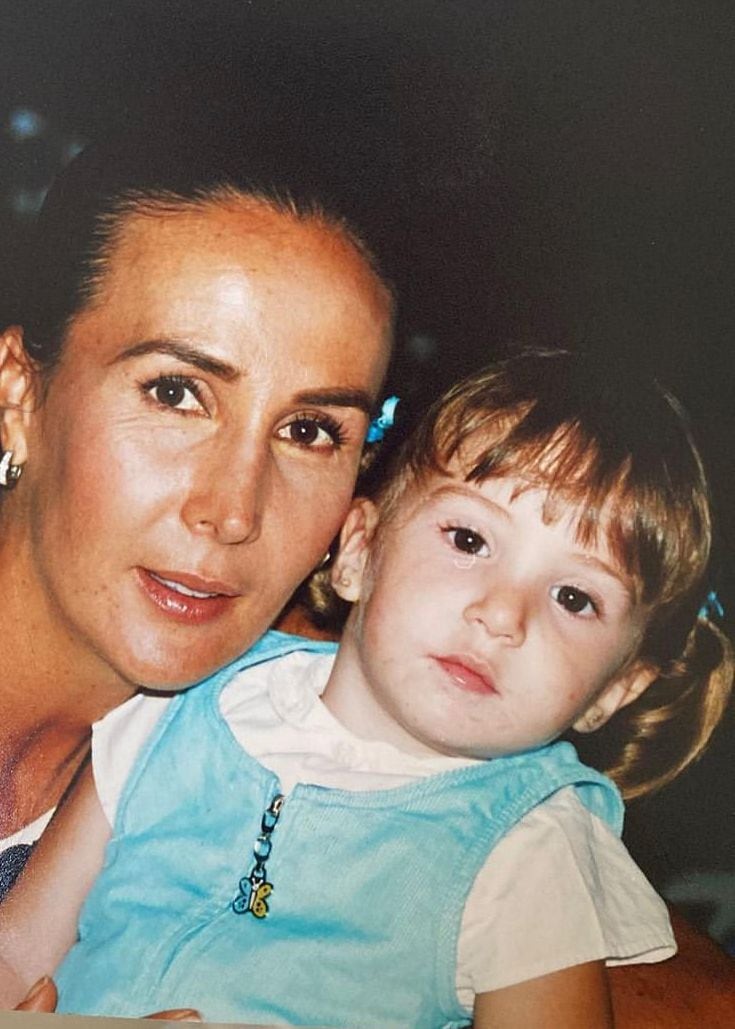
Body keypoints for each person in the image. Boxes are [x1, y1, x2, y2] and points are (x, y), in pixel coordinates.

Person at [1, 351, 731, 1028]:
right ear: (357, 549)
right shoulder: (180, 698)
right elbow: (16, 951)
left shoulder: (529, 849)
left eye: (574, 597)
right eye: (469, 541)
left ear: (616, 689)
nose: (502, 616)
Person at [0, 128, 394, 892]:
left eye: (309, 431)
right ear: (18, 393)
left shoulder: (310, 755)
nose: (234, 510)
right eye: (176, 393)